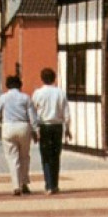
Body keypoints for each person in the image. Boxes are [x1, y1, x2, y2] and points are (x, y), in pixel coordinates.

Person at [0, 75, 38, 196]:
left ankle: (15, 186)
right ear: (20, 85)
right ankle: (24, 183)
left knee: (12, 158)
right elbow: (32, 117)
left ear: (7, 85)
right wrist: (35, 130)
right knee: (24, 156)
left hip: (8, 127)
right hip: (23, 126)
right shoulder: (26, 98)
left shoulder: (3, 97)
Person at [32, 67, 69, 196]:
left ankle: (48, 185)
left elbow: (34, 111)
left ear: (42, 79)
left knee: (46, 156)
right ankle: (55, 184)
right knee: (56, 155)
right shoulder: (60, 93)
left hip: (44, 125)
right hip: (57, 126)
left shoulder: (38, 93)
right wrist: (68, 129)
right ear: (54, 78)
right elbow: (66, 112)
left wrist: (35, 129)